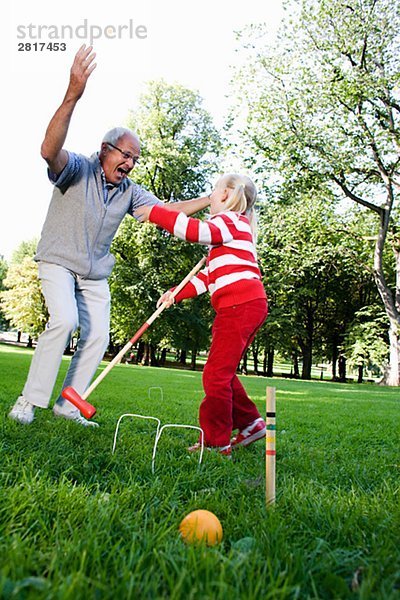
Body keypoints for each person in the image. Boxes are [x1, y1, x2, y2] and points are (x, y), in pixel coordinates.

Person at [9, 45, 210, 427]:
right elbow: (48, 150)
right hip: (57, 260)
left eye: (136, 159)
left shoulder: (130, 191)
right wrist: (73, 94)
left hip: (94, 273)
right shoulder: (79, 169)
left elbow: (167, 212)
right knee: (65, 320)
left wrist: (212, 200)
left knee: (99, 335)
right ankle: (28, 401)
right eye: (126, 155)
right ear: (105, 150)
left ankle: (69, 406)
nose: (130, 164)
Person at [134, 173, 268, 456]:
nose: (210, 199)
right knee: (223, 370)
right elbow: (207, 278)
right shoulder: (230, 232)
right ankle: (251, 423)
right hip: (244, 304)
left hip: (239, 305)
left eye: (213, 191)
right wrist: (176, 293)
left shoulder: (228, 221)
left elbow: (192, 231)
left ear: (226, 195)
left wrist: (157, 213)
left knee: (214, 376)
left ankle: (216, 442)